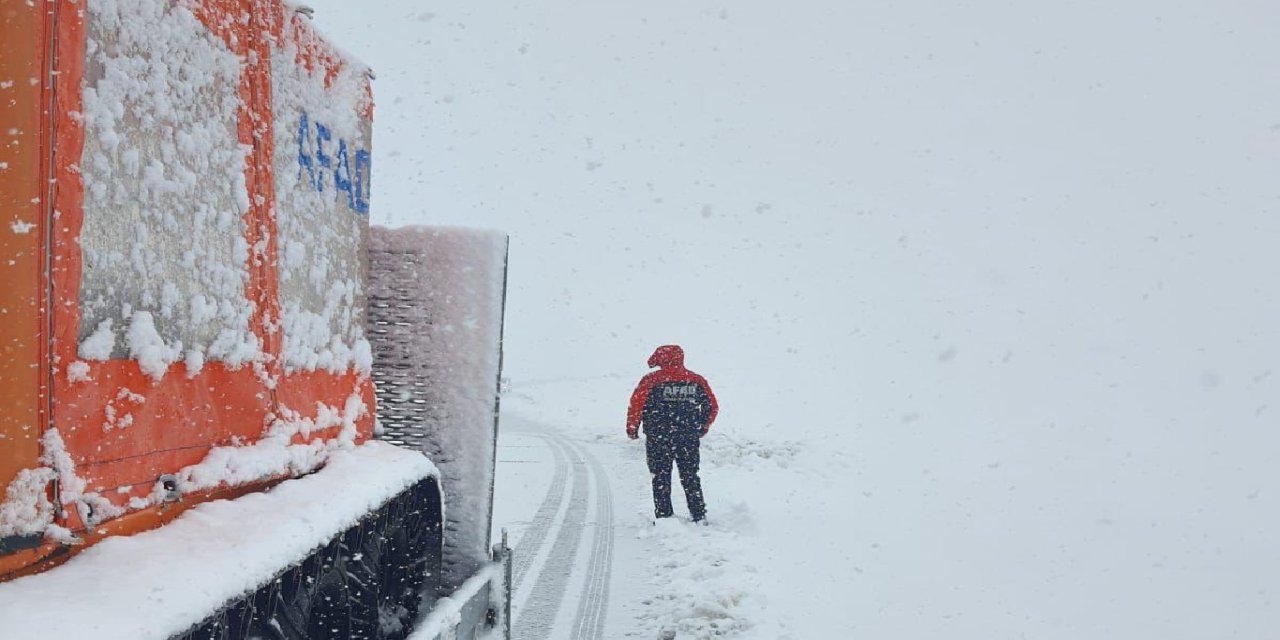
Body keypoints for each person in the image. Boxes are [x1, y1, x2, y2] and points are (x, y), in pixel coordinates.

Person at [626, 345, 718, 522]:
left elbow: (636, 406)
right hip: (688, 437)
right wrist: (702, 426)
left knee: (660, 476)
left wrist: (632, 428)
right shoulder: (696, 380)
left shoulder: (650, 380)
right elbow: (712, 407)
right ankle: (698, 515)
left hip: (658, 437)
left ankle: (664, 516)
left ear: (660, 358)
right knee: (690, 475)